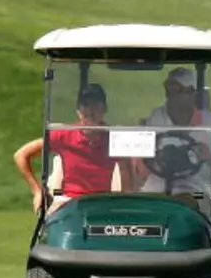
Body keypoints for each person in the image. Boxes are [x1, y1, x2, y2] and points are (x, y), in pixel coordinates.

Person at [132, 67, 211, 230]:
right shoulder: (151, 122)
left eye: (179, 91)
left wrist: (207, 160)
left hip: (200, 189)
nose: (173, 97)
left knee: (190, 204)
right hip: (157, 188)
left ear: (193, 94)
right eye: (170, 91)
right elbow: (137, 170)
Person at [13, 83, 127, 216]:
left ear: (104, 109)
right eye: (85, 106)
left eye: (96, 105)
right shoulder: (65, 135)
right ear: (78, 111)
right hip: (70, 203)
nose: (90, 111)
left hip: (102, 203)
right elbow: (21, 155)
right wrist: (37, 192)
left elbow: (130, 170)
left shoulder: (114, 138)